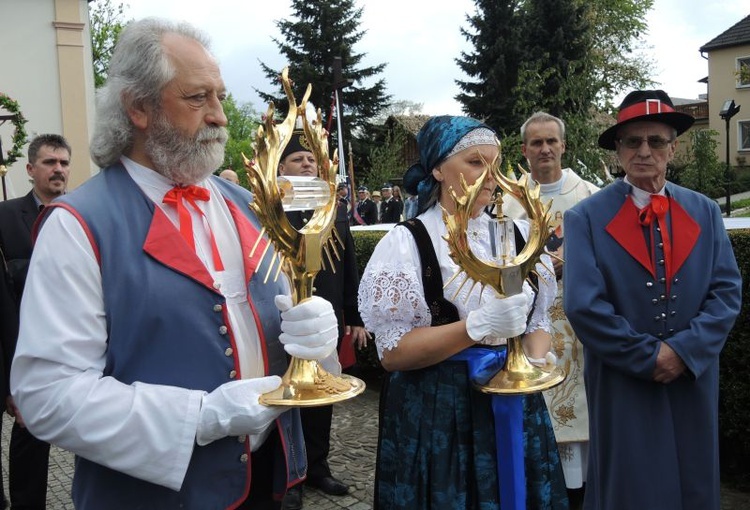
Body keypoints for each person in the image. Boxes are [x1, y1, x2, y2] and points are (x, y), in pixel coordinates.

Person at [9, 18, 341, 510]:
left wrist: (315, 345)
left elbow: (275, 327)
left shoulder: (249, 206)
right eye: (197, 98)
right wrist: (202, 416)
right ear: (138, 107)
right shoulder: (79, 224)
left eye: (221, 97)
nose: (220, 117)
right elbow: (48, 394)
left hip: (271, 483)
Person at [358, 115, 568, 509]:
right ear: (438, 168)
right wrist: (477, 326)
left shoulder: (518, 234)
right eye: (475, 162)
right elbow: (393, 353)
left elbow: (538, 322)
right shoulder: (408, 242)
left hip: (514, 402)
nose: (491, 177)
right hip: (440, 407)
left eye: (496, 164)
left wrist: (531, 362)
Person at [563, 90, 742, 510]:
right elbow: (584, 305)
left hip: (692, 377)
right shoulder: (585, 217)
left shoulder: (705, 211)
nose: (644, 151)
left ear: (672, 148)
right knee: (632, 486)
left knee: (693, 481)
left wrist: (683, 352)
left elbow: (726, 291)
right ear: (617, 151)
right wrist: (648, 357)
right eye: (632, 142)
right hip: (625, 381)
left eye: (656, 141)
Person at [502, 112, 598, 509]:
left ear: (563, 145)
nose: (544, 149)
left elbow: (607, 257)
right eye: (536, 143)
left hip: (580, 325)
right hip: (530, 324)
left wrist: (569, 260)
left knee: (584, 424)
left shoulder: (590, 196)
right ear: (524, 151)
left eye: (551, 142)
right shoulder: (507, 201)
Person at [277, 127, 369, 510]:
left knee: (321, 394)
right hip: (280, 319)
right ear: (281, 166)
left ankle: (317, 465)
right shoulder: (270, 205)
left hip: (326, 317)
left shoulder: (332, 206)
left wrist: (355, 315)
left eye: (311, 159)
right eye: (298, 159)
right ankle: (289, 475)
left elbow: (347, 262)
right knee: (286, 397)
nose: (307, 164)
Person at [0, 133, 72, 510]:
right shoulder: (5, 217)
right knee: (29, 433)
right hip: (26, 344)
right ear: (30, 169)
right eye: (49, 163)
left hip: (77, 341)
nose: (58, 170)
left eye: (63, 163)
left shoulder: (82, 213)